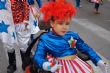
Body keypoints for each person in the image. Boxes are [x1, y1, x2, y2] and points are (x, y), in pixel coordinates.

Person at [33, 0, 107, 73]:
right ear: (52, 23)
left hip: (77, 66)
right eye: (61, 23)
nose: (64, 27)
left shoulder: (72, 36)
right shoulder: (45, 39)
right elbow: (38, 56)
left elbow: (85, 48)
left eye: (67, 23)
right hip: (58, 68)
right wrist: (47, 65)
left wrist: (98, 60)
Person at [0, 0, 39, 73]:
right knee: (9, 43)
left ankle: (25, 63)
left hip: (20, 22)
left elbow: (25, 6)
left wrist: (26, 20)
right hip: (6, 22)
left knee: (23, 43)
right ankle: (12, 64)